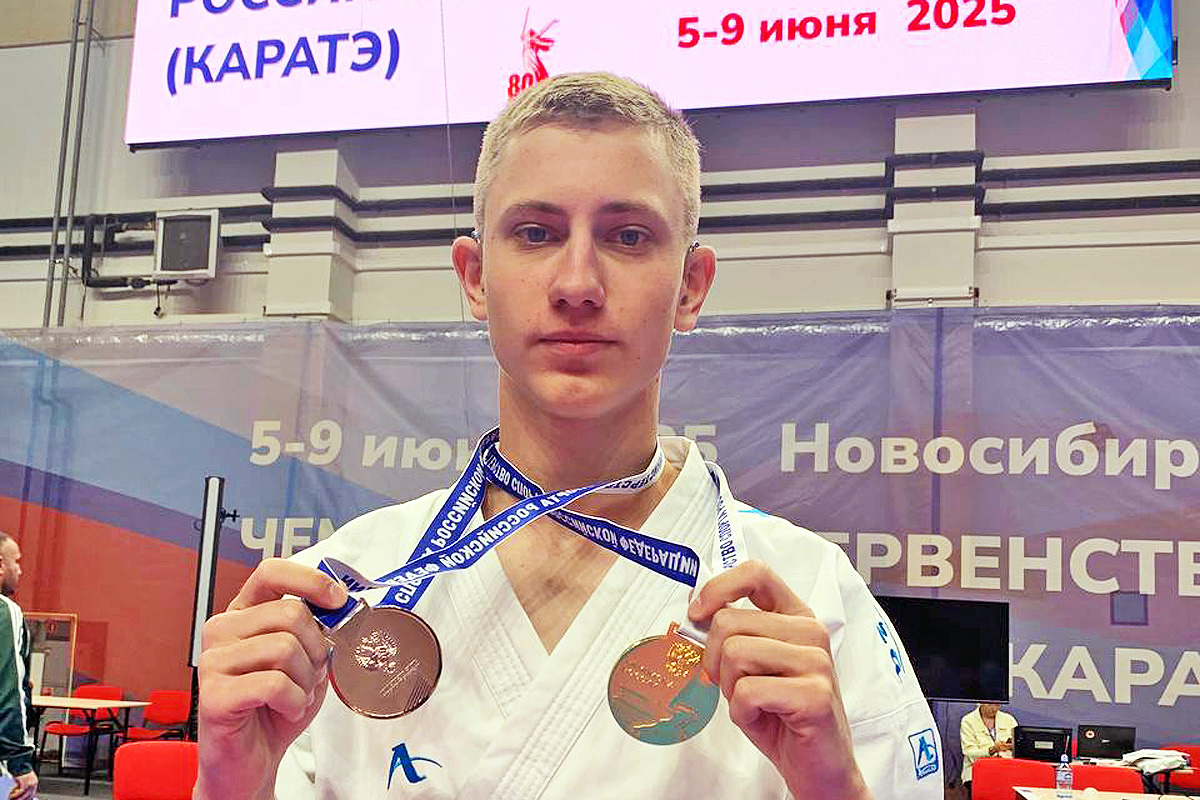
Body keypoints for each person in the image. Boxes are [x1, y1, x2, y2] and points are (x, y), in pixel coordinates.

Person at [195, 72, 941, 800]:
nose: (577, 284)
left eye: (627, 235)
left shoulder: (810, 598)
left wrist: (833, 788)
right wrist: (232, 785)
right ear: (475, 277)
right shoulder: (340, 597)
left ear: (690, 287)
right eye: (536, 233)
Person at [0, 532, 36, 800]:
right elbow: (8, 689)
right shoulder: (6, 611)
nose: (20, 570)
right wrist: (19, 763)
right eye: (17, 561)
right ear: (1, 565)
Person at [960, 702, 1017, 796]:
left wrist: (1012, 747)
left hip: (1005, 770)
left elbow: (1019, 749)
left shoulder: (1009, 720)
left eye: (997, 705)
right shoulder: (968, 721)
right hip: (977, 772)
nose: (994, 709)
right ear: (981, 702)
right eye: (990, 704)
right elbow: (969, 753)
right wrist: (992, 750)